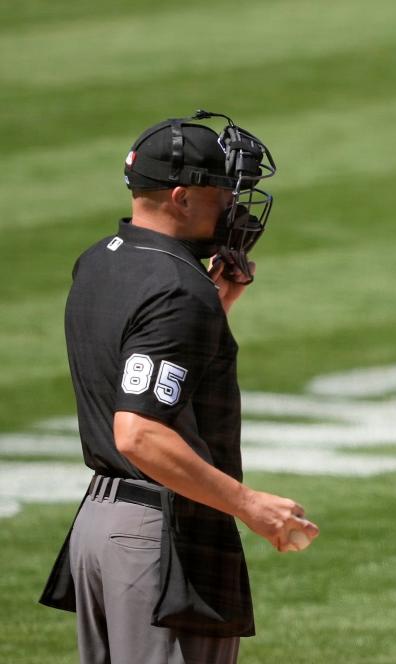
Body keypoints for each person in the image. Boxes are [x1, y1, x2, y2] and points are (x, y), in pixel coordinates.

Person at [39, 112, 320, 664]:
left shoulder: (99, 261)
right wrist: (249, 505)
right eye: (220, 191)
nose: (233, 206)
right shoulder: (177, 290)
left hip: (101, 525)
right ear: (181, 196)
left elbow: (138, 359)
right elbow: (139, 433)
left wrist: (213, 309)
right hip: (160, 533)